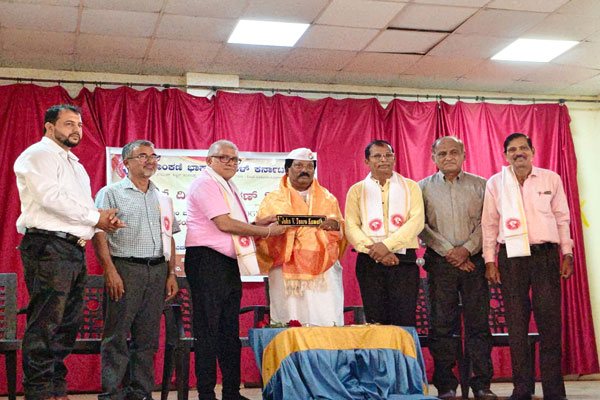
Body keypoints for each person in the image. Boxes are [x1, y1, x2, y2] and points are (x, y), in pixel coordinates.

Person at [14, 104, 124, 400]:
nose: (76, 130)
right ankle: (38, 392)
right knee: (46, 322)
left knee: (67, 323)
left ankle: (56, 388)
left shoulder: (76, 165)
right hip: (47, 245)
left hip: (74, 248)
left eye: (79, 125)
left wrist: (103, 221)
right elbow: (50, 199)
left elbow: (82, 209)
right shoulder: (38, 155)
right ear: (49, 127)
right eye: (68, 124)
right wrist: (95, 218)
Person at [185, 140, 286, 400]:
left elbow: (236, 224)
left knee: (228, 330)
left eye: (235, 159)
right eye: (224, 158)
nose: (230, 163)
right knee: (208, 330)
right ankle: (206, 393)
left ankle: (231, 391)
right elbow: (224, 224)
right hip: (207, 261)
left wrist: (258, 223)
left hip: (227, 264)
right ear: (209, 160)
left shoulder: (228, 185)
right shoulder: (206, 183)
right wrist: (265, 231)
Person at [482, 133, 574, 400]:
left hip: (545, 257)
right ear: (505, 155)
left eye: (523, 148)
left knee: (550, 324)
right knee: (517, 325)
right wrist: (490, 260)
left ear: (533, 151)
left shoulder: (550, 179)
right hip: (511, 259)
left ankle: (554, 391)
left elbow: (562, 219)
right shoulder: (496, 183)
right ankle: (522, 389)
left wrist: (567, 253)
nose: (518, 152)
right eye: (512, 149)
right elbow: (489, 224)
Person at [92, 140, 179, 400]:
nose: (150, 160)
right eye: (142, 155)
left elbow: (170, 237)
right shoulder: (111, 193)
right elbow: (98, 234)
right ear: (126, 163)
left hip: (157, 270)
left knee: (147, 339)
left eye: (153, 156)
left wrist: (172, 273)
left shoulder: (162, 197)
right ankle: (112, 394)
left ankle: (141, 393)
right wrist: (110, 271)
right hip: (125, 269)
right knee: (116, 336)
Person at [419, 137, 497, 400]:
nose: (448, 157)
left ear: (464, 154)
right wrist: (450, 252)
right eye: (442, 153)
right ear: (433, 158)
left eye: (454, 152)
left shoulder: (482, 185)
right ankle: (446, 385)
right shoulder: (422, 188)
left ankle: (482, 384)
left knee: (478, 324)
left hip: (474, 263)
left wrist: (466, 250)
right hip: (440, 263)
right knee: (441, 325)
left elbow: (489, 223)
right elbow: (421, 226)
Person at [255, 148, 345, 326]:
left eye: (309, 166)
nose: (305, 170)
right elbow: (262, 233)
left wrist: (335, 226)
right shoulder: (273, 199)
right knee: (291, 316)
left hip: (323, 269)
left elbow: (341, 228)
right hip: (286, 266)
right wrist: (279, 231)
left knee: (325, 316)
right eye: (299, 166)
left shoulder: (328, 198)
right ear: (287, 169)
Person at [345, 140, 424, 326]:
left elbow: (417, 221)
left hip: (403, 261)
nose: (384, 160)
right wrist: (378, 252)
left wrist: (387, 246)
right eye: (377, 156)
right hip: (370, 261)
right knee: (376, 320)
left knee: (404, 319)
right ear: (367, 161)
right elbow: (351, 226)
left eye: (388, 155)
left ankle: (403, 347)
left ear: (394, 159)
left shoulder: (410, 187)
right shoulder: (357, 190)